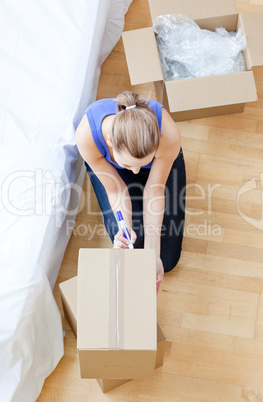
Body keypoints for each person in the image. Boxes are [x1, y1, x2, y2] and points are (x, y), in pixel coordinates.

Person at [75, 91, 186, 292]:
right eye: (129, 165)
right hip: (112, 170)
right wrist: (125, 230)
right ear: (109, 141)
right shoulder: (87, 136)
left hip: (158, 166)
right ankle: (129, 163)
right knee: (131, 251)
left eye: (139, 166)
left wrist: (153, 253)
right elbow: (117, 191)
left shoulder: (167, 135)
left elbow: (154, 190)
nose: (135, 173)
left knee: (165, 260)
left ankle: (138, 161)